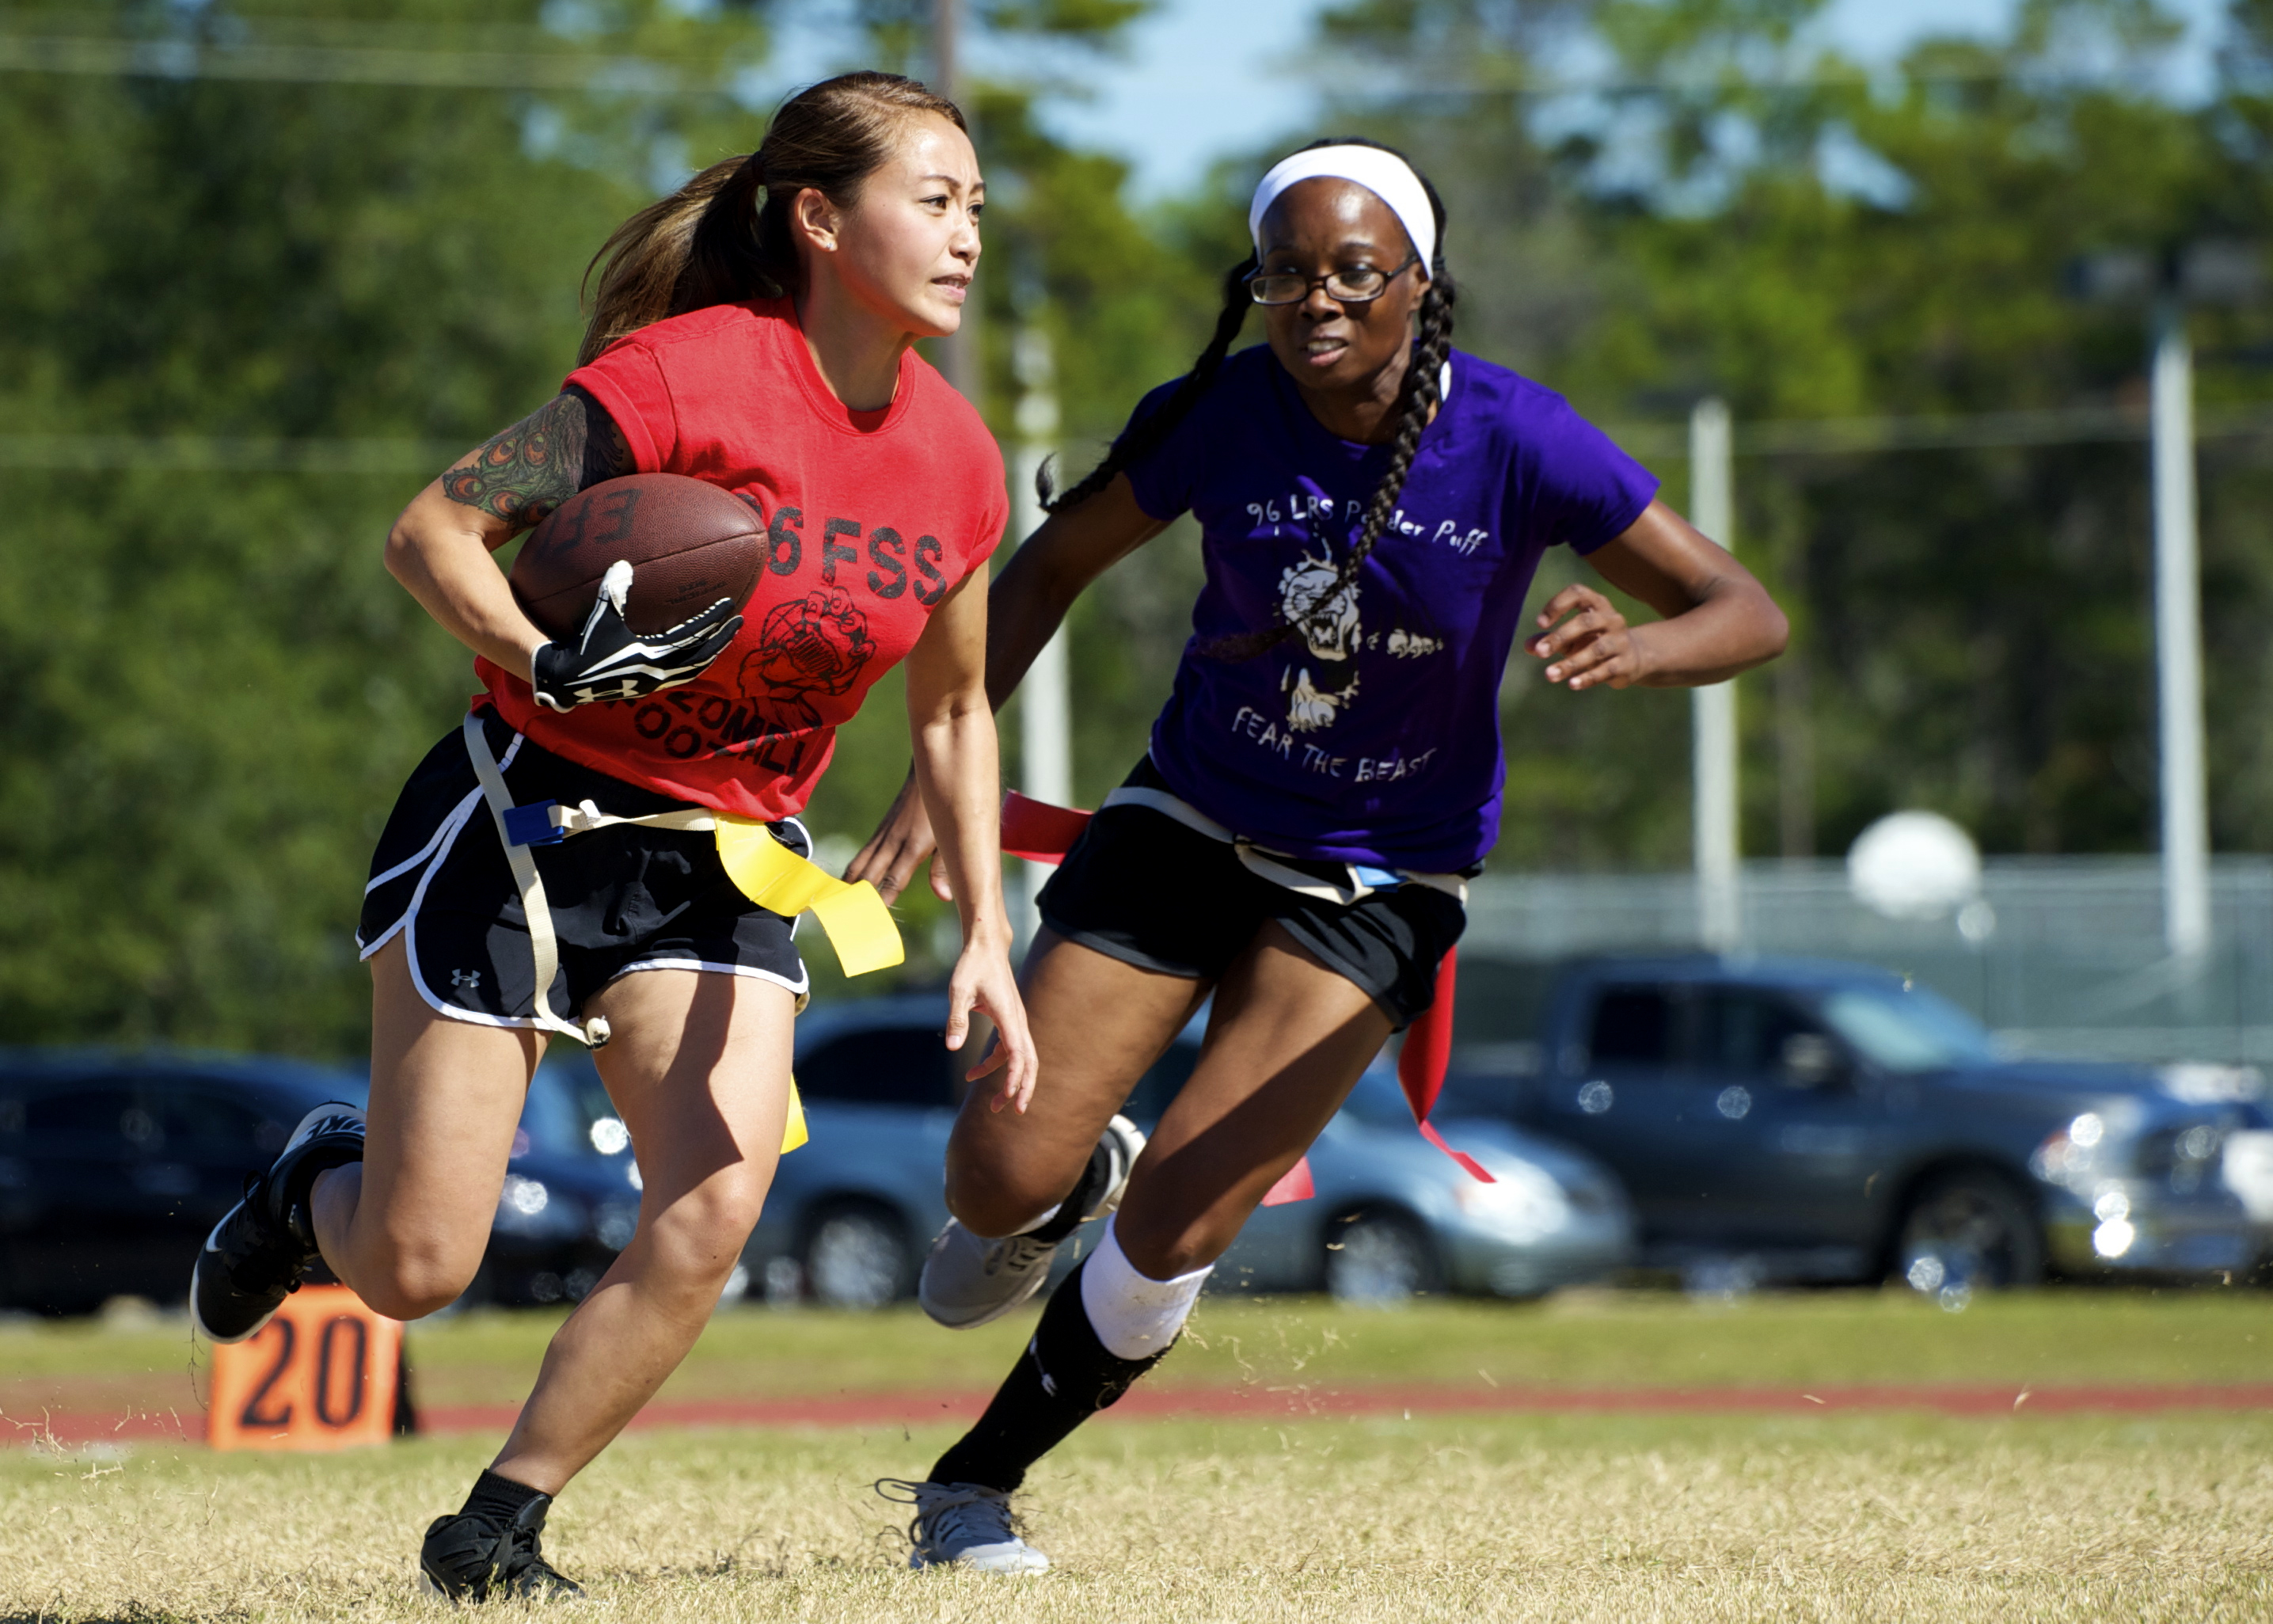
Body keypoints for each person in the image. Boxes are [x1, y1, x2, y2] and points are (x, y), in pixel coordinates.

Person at [851, 138, 1788, 1573]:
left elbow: (1746, 608)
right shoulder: (1223, 415)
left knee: (1180, 1218)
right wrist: (944, 763)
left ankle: (970, 1489)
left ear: (1420, 281)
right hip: (1190, 819)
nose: (1319, 299)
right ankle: (1063, 1176)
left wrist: (1647, 644)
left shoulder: (1520, 435)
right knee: (993, 1177)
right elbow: (1039, 571)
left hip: (1380, 876)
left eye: (1355, 270)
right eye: (1286, 274)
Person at [188, 71, 1036, 1600]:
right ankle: (316, 1189)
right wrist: (545, 658)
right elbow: (433, 529)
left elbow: (959, 715)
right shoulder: (682, 378)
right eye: (937, 199)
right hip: (524, 818)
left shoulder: (961, 461)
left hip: (717, 858)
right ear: (822, 221)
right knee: (420, 1266)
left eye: (978, 203)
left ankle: (497, 1527)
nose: (969, 233)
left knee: (713, 1206)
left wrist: (988, 928)